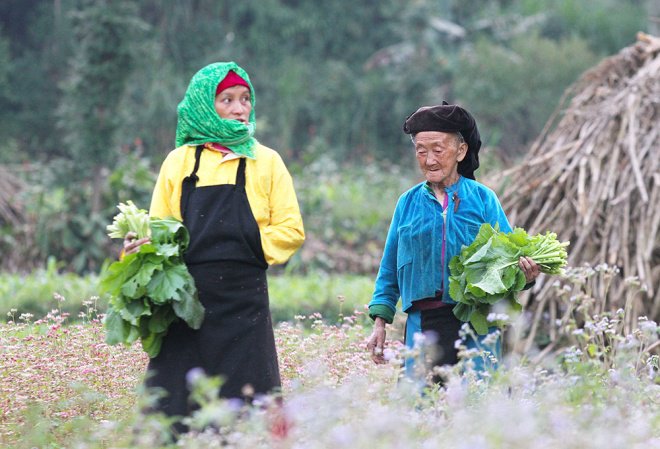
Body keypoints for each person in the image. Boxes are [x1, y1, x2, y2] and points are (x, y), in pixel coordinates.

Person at [123, 61, 305, 432]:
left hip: (244, 302)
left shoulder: (266, 161)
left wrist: (248, 244)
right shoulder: (180, 162)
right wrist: (140, 249)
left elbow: (290, 230)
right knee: (173, 411)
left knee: (250, 411)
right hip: (187, 303)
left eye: (245, 99)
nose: (240, 109)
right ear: (206, 105)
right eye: (227, 100)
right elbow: (161, 231)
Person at [366, 102, 539, 383]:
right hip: (424, 322)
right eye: (421, 151)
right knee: (421, 404)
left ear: (461, 151)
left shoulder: (483, 199)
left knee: (478, 402)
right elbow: (389, 268)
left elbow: (510, 258)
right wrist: (380, 321)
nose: (429, 159)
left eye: (438, 150)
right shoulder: (407, 203)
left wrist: (525, 275)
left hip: (477, 319)